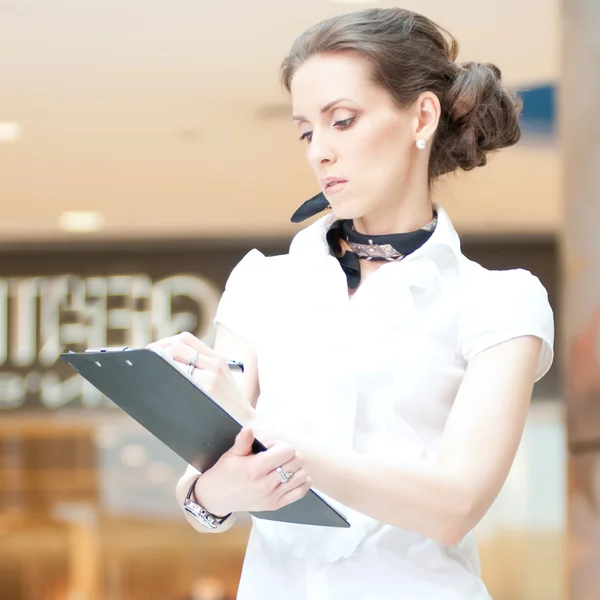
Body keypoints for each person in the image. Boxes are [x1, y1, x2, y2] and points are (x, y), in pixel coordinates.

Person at [149, 8, 554, 600]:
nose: (320, 152)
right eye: (307, 131)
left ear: (421, 115)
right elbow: (202, 489)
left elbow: (455, 506)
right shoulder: (263, 284)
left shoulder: (500, 300)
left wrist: (262, 430)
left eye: (342, 120)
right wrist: (215, 492)